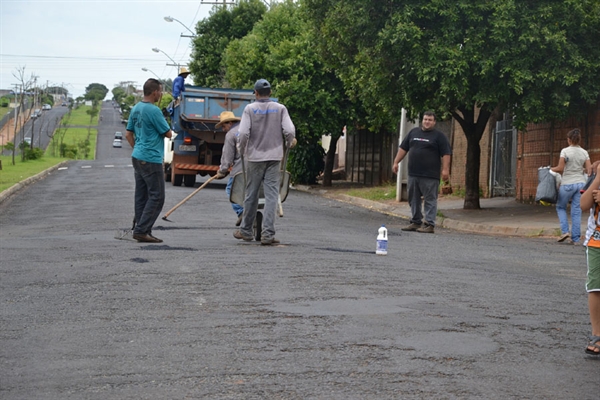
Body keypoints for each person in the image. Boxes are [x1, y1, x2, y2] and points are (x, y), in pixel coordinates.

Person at [233, 79, 296, 245]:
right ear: (271, 93)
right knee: (271, 196)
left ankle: (246, 231)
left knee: (251, 194)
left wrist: (242, 149)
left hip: (254, 157)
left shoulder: (250, 109)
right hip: (275, 157)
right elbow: (289, 131)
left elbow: (244, 134)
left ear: (256, 93)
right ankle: (268, 234)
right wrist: (289, 142)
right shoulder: (280, 108)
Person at [125, 78, 173, 243]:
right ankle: (141, 230)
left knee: (141, 195)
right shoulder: (154, 111)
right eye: (160, 91)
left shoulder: (136, 108)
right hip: (151, 158)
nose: (161, 94)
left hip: (137, 156)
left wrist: (137, 148)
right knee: (157, 196)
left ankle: (142, 229)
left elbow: (128, 134)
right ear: (155, 92)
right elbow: (168, 133)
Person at [392, 111, 452, 234]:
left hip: (430, 175)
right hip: (413, 173)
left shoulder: (439, 136)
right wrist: (396, 162)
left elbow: (446, 153)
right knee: (413, 199)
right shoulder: (413, 133)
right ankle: (415, 221)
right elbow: (403, 148)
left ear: (434, 122)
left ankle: (429, 224)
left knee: (430, 199)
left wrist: (445, 169)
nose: (427, 122)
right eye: (425, 119)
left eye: (430, 120)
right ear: (422, 120)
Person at [551, 128, 591, 244]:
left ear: (569, 140)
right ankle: (576, 238)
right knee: (576, 211)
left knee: (560, 207)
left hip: (567, 183)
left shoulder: (565, 151)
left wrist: (549, 169)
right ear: (579, 140)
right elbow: (588, 170)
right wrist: (580, 169)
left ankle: (565, 232)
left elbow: (560, 168)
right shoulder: (584, 152)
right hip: (580, 184)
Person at [578, 163, 600, 356]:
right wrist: (598, 178)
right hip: (596, 242)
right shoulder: (596, 174)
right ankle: (597, 334)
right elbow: (584, 205)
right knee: (595, 286)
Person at [215, 111, 244, 226]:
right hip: (256, 167)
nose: (223, 129)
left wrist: (222, 171)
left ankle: (241, 211)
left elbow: (227, 157)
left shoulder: (231, 134)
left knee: (230, 189)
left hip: (240, 169)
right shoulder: (248, 129)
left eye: (223, 126)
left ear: (230, 123)